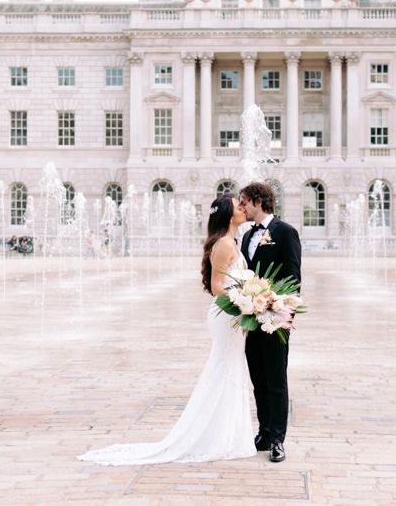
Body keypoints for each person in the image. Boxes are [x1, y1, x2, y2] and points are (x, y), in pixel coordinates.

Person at [78, 194, 256, 465]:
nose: (243, 208)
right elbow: (217, 285)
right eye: (237, 206)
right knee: (225, 366)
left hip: (233, 313)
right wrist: (246, 299)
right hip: (227, 313)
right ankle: (214, 435)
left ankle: (229, 433)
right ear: (228, 215)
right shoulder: (223, 244)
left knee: (231, 368)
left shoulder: (231, 241)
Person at [239, 181, 301, 464]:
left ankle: (277, 439)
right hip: (251, 319)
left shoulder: (285, 232)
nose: (242, 208)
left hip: (275, 320)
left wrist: (282, 315)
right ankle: (264, 432)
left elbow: (294, 278)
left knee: (276, 380)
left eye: (244, 202)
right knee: (258, 379)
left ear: (258, 201)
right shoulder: (246, 236)